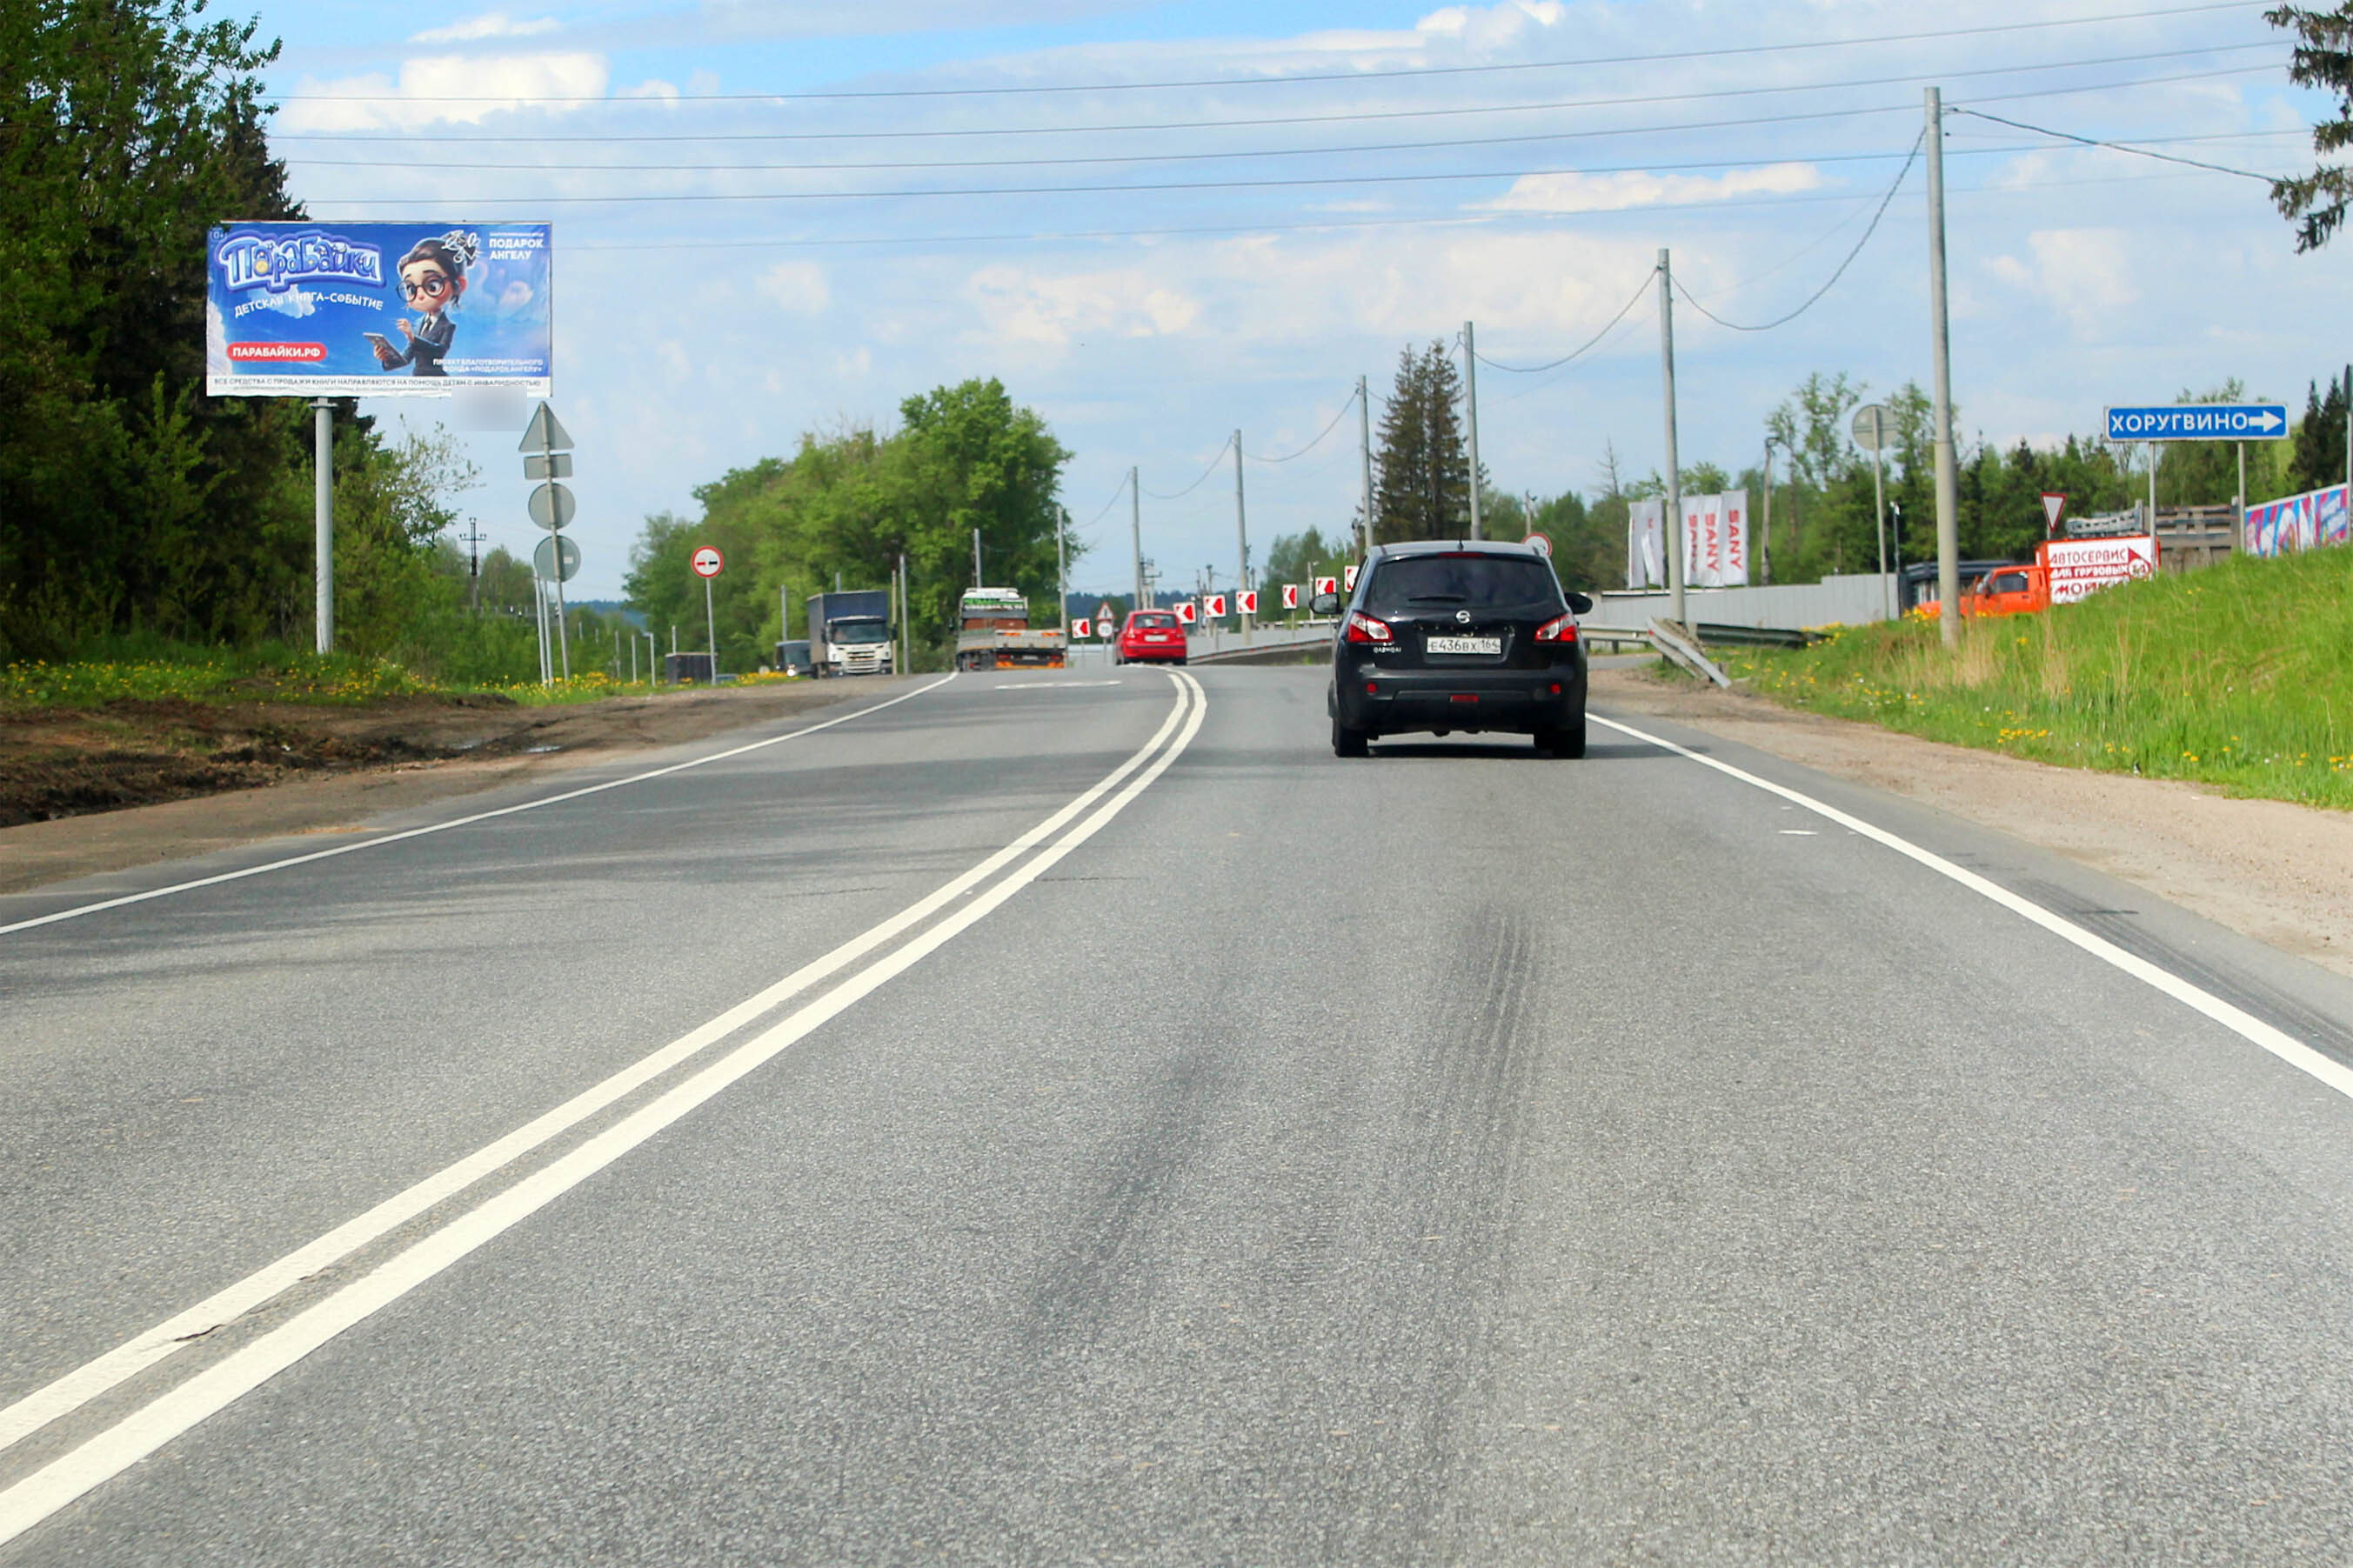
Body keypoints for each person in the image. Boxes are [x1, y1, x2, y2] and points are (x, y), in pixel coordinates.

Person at [371, 232, 477, 376]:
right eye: (411, 288)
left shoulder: (448, 326)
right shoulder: (418, 324)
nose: (420, 295)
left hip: (438, 382)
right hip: (418, 382)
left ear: (458, 285)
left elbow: (439, 352)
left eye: (432, 285)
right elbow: (406, 359)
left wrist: (412, 337)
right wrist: (386, 358)